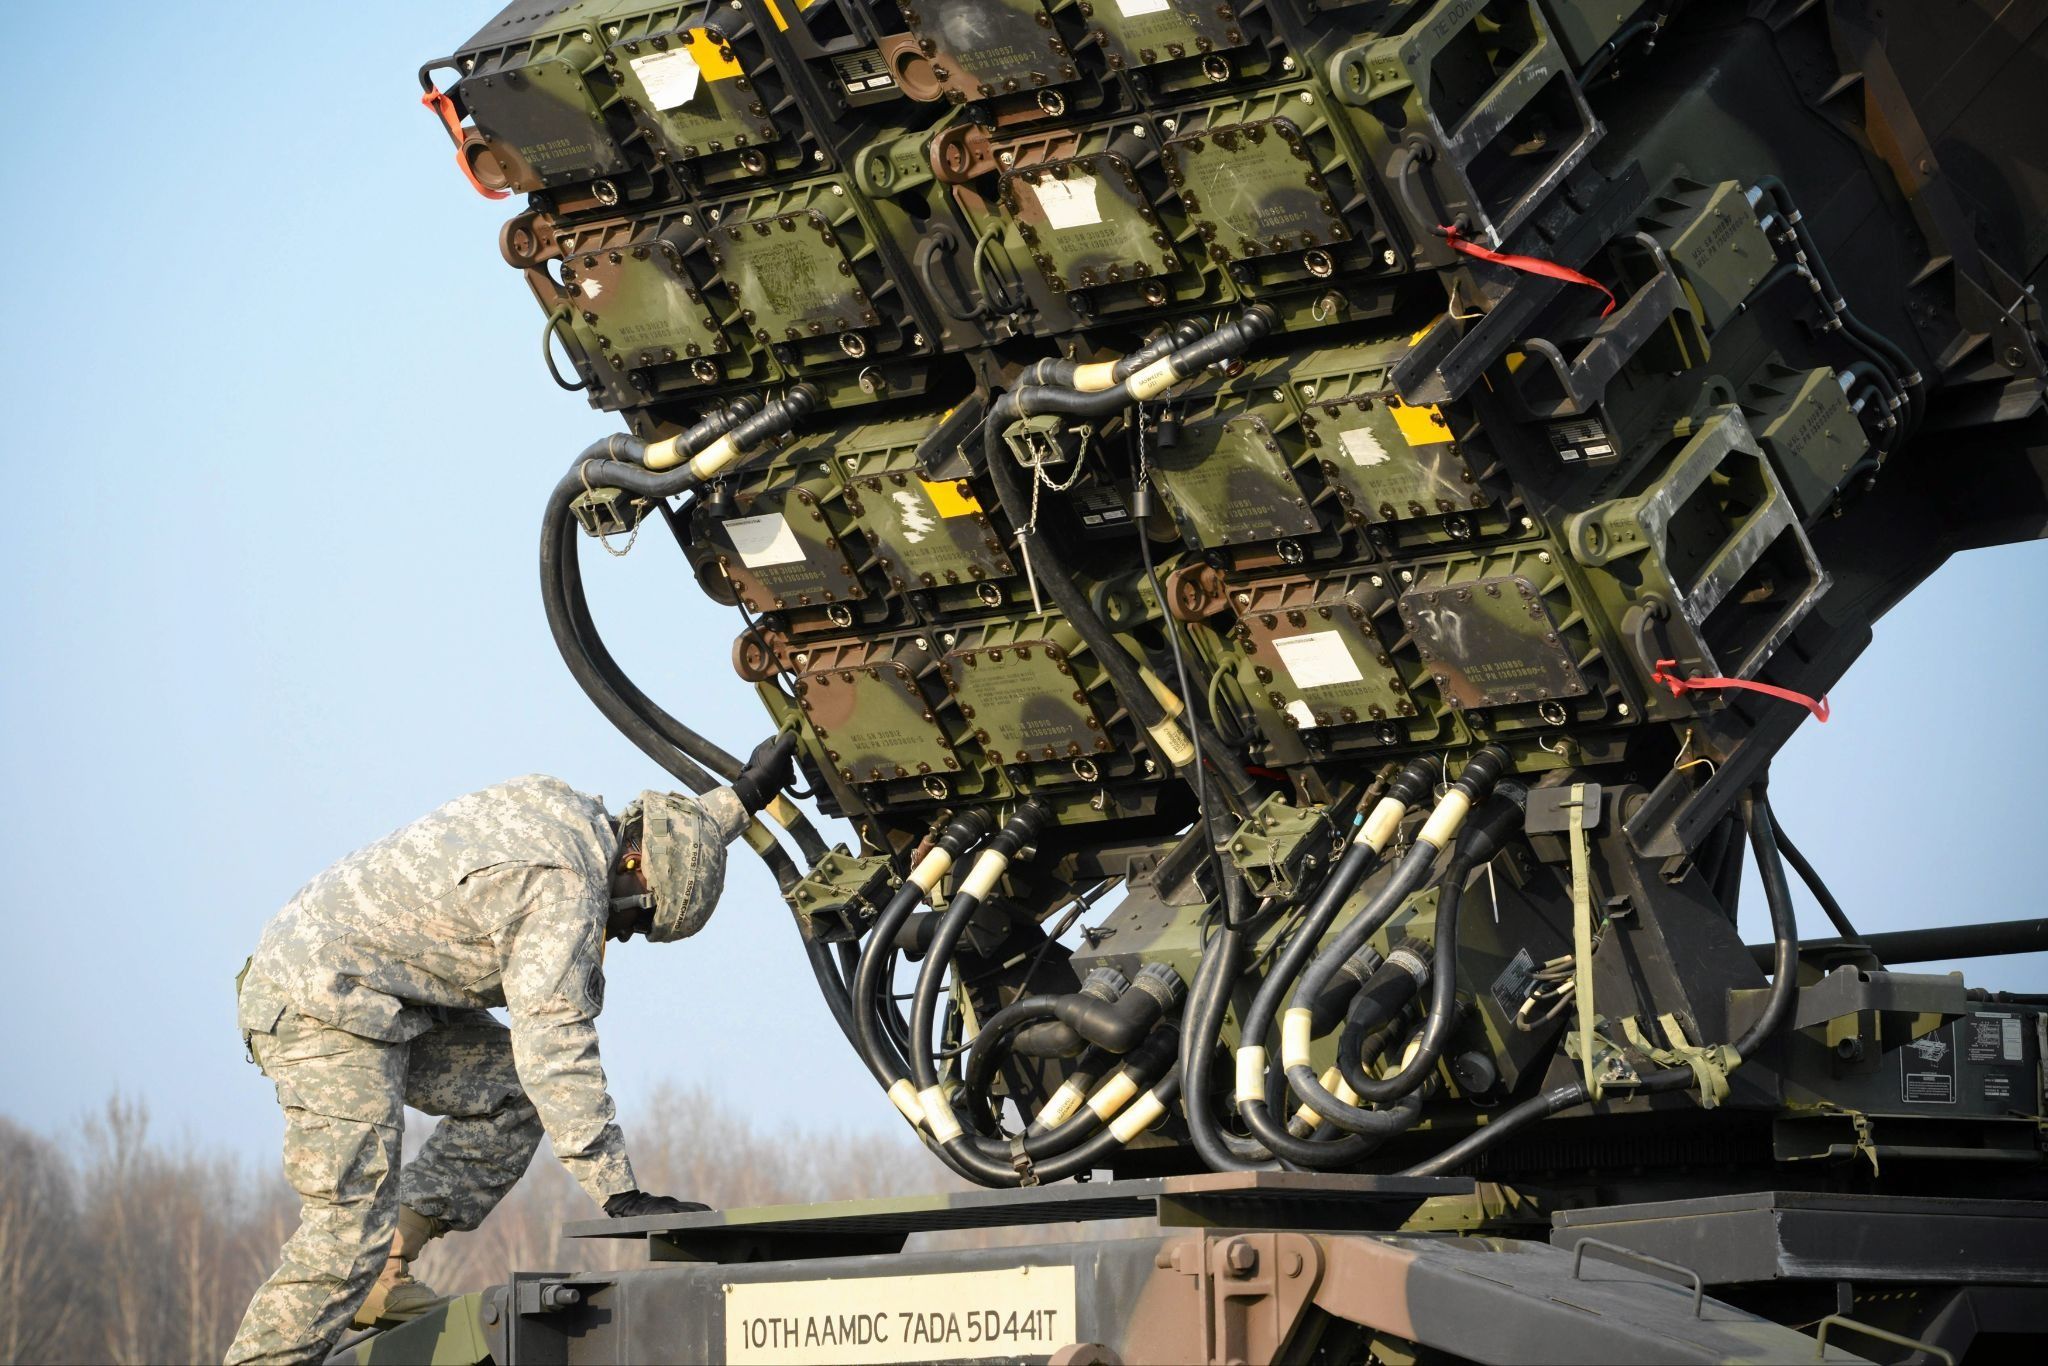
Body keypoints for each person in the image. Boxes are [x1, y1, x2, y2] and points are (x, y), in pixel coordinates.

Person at [223, 737, 796, 1365]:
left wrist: (744, 798)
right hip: (321, 1005)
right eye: (636, 919)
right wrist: (618, 1191)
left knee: (511, 1092)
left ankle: (388, 1267)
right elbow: (556, 1046)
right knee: (344, 1234)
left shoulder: (579, 818)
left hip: (379, 991)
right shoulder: (567, 892)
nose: (621, 932)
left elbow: (672, 838)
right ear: (632, 870)